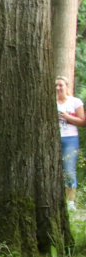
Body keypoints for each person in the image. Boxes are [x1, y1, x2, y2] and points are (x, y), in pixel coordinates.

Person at [56, 76, 86, 211]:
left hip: (70, 139)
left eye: (61, 85)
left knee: (69, 170)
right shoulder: (50, 102)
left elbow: (82, 122)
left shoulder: (75, 102)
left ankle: (70, 202)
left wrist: (66, 116)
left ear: (67, 87)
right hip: (53, 139)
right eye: (56, 86)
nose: (58, 88)